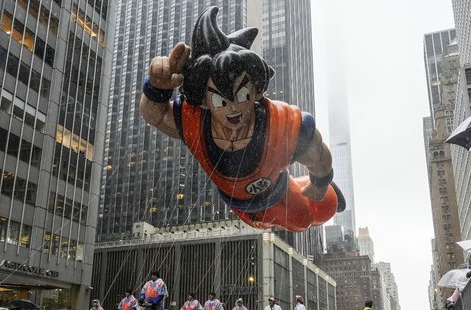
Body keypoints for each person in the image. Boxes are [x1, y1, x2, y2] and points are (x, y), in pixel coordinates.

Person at [139, 7, 345, 233]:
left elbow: (318, 151)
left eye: (242, 95)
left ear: (256, 92)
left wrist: (321, 182)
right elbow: (155, 115)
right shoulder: (193, 121)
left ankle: (320, 194)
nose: (233, 108)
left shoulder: (281, 124)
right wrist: (156, 88)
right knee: (284, 220)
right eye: (220, 100)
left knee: (313, 213)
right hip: (240, 204)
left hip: (279, 191)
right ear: (205, 101)